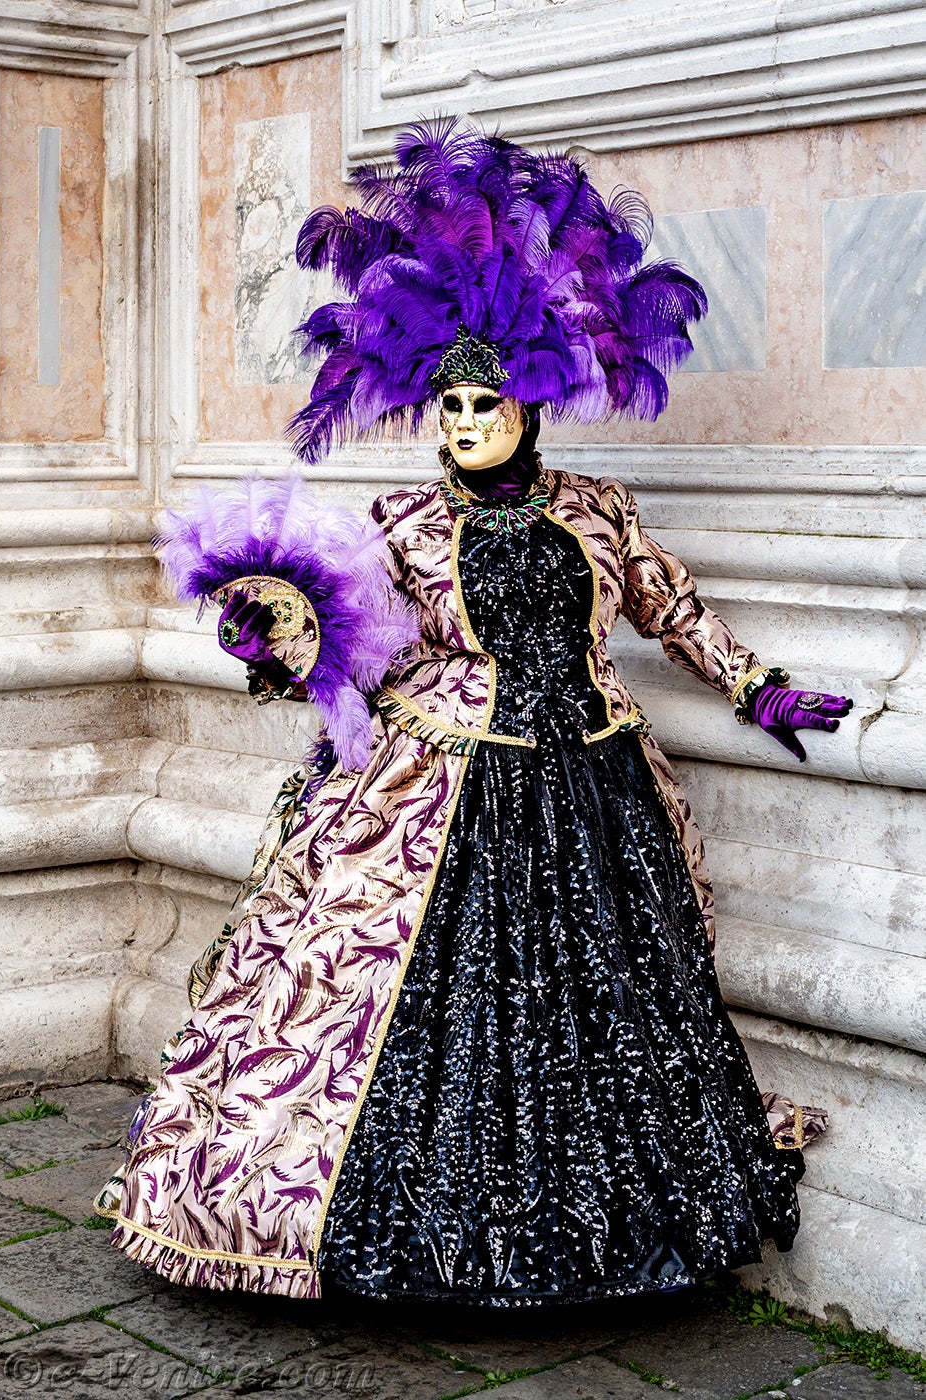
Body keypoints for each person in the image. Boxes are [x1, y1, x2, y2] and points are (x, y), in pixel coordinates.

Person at [94, 119, 849, 1306]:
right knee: (409, 1009)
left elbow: (668, 605)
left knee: (600, 1009)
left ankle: (607, 1231)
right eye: (446, 405)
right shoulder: (402, 524)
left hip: (593, 780)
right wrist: (282, 642)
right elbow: (353, 644)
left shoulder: (597, 508)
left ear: (529, 404)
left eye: (483, 404)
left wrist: (756, 684)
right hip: (440, 783)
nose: (461, 423)